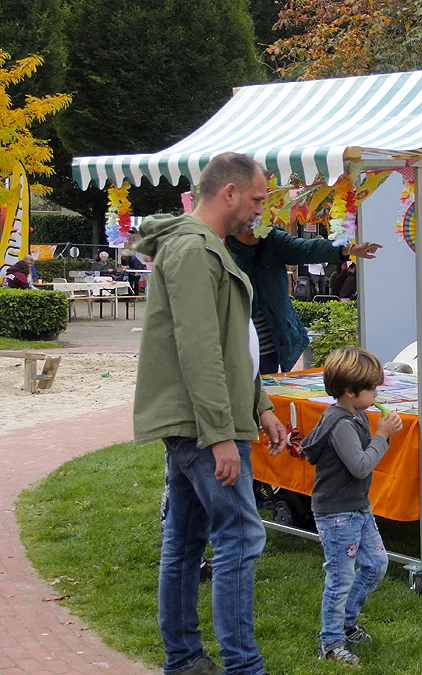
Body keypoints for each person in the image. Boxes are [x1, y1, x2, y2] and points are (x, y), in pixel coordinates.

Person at [133, 152, 288, 675]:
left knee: (185, 539)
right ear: (229, 193)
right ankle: (243, 667)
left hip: (201, 421)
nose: (259, 210)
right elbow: (198, 350)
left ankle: (184, 660)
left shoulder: (202, 246)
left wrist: (261, 406)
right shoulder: (194, 251)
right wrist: (221, 434)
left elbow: (230, 344)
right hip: (202, 426)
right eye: (258, 199)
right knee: (241, 536)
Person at [299, 346, 403, 665]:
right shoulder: (341, 423)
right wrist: (382, 437)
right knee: (341, 577)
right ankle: (330, 643)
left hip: (357, 507)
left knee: (375, 565)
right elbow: (360, 466)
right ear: (349, 391)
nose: (376, 393)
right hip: (337, 515)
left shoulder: (354, 414)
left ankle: (346, 622)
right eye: (372, 388)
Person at [227, 216, 382, 374]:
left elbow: (308, 248)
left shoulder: (272, 241)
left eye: (259, 224)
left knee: (263, 393)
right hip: (229, 344)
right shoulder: (218, 246)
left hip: (266, 347)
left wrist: (347, 249)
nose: (254, 230)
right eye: (247, 225)